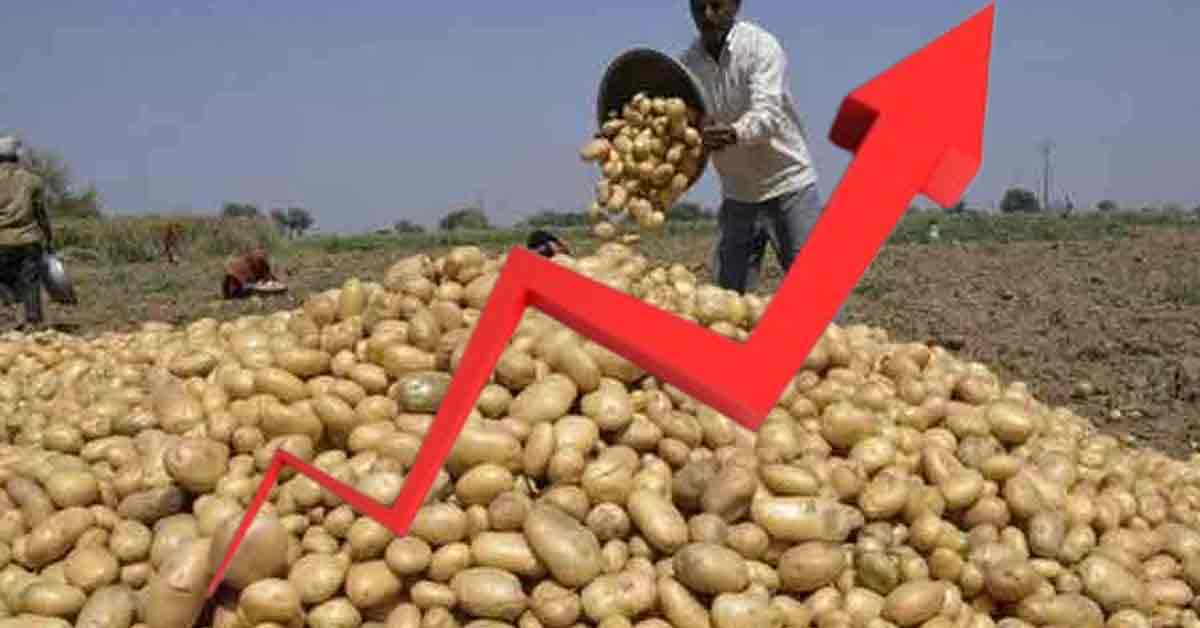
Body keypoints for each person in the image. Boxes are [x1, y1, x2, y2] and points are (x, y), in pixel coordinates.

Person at [680, 0, 830, 303]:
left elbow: (767, 116)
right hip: (738, 194)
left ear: (735, 5)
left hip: (788, 185)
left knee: (816, 294)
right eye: (699, 8)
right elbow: (680, 123)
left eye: (716, 5)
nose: (707, 16)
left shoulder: (761, 47)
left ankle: (833, 347)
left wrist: (734, 133)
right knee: (726, 299)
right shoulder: (688, 65)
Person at [0, 135, 53, 330]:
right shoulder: (33, 181)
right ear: (17, 157)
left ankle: (9, 310)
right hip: (28, 240)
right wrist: (48, 237)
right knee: (30, 280)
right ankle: (33, 321)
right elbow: (41, 213)